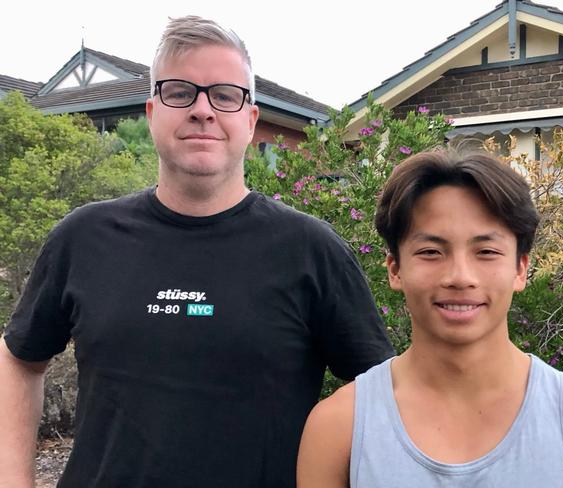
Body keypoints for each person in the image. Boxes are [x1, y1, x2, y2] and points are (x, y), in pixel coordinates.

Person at [0, 16, 394, 488]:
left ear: (249, 121)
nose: (202, 110)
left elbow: (378, 399)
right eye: (180, 92)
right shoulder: (83, 237)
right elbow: (19, 359)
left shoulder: (312, 251)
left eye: (225, 94)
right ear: (152, 113)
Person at [297, 149, 563, 488]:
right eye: (431, 252)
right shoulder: (338, 428)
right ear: (395, 269)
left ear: (521, 269)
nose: (460, 277)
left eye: (486, 252)